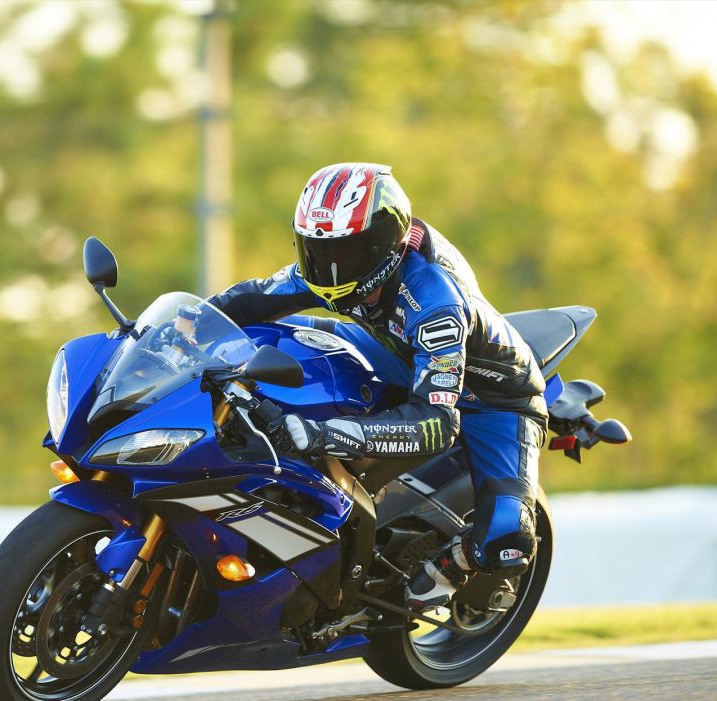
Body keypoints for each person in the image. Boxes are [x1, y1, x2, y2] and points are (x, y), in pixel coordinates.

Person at [207, 162, 547, 610]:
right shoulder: (338, 269)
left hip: (491, 399)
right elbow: (244, 300)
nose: (327, 271)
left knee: (508, 536)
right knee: (264, 340)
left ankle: (451, 565)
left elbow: (436, 423)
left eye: (345, 254)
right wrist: (176, 330)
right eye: (315, 250)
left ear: (385, 243)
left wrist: (321, 434)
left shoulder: (433, 302)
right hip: (391, 352)